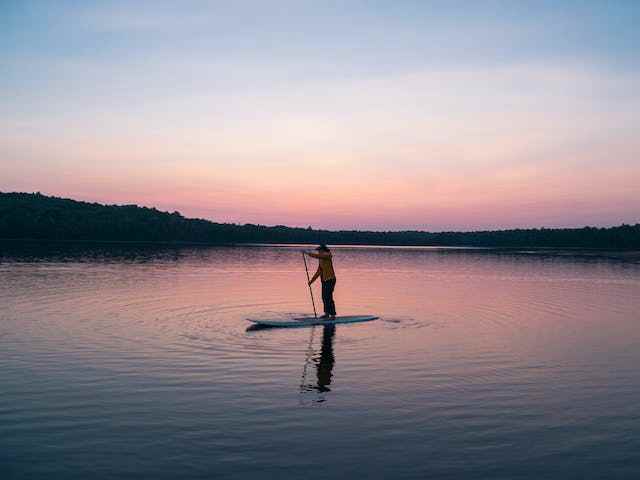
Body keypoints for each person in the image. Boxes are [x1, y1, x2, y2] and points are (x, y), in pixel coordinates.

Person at [304, 244, 337, 320]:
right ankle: (327, 314)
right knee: (324, 297)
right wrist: (311, 281)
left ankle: (333, 315)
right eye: (318, 251)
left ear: (323, 250)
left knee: (328, 297)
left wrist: (308, 253)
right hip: (324, 280)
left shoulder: (328, 255)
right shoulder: (321, 259)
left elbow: (319, 256)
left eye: (319, 251)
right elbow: (318, 272)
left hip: (330, 279)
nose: (318, 252)